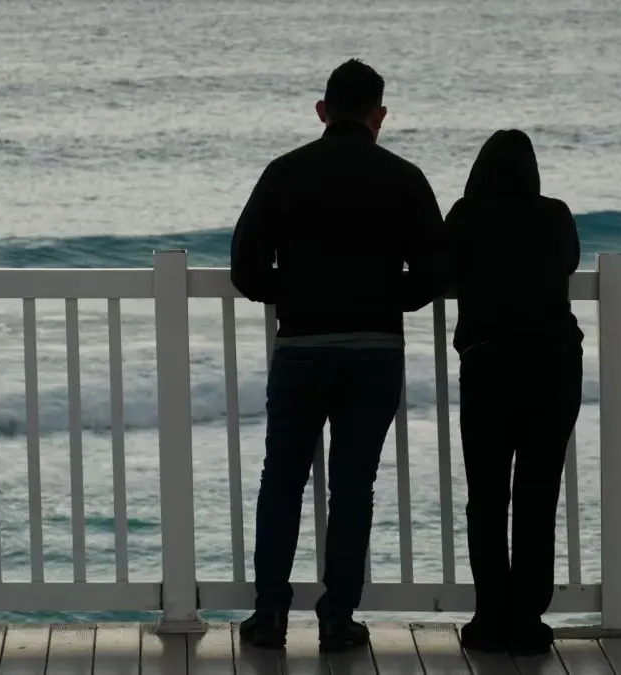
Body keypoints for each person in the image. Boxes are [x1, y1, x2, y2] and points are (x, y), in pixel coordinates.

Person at [230, 59, 446, 652]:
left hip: (301, 348)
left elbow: (245, 269)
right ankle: (336, 618)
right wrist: (379, 295)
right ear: (379, 116)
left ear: (322, 111)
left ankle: (270, 615)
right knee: (354, 487)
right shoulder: (406, 178)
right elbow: (431, 275)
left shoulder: (284, 172)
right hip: (375, 351)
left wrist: (298, 290)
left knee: (282, 481)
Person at [447, 129, 584, 655]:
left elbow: (445, 268)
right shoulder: (556, 215)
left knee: (486, 496)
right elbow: (568, 262)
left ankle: (490, 618)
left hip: (489, 364)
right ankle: (528, 620)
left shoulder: (465, 215)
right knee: (537, 493)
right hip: (554, 363)